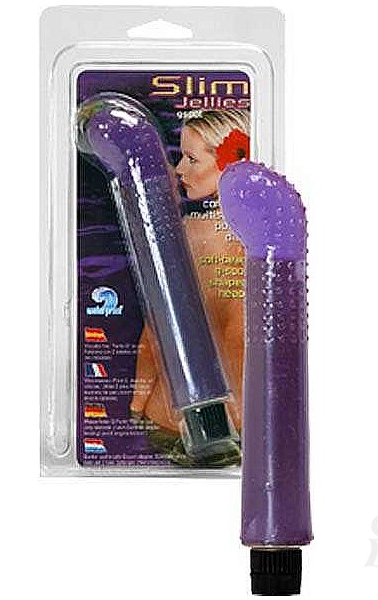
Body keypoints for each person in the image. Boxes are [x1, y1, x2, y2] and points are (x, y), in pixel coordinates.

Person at [131, 109, 251, 450]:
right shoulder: (258, 241)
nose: (180, 170)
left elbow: (155, 335)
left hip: (170, 422)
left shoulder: (187, 234)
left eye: (191, 159)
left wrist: (135, 406)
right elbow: (242, 338)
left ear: (230, 162)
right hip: (246, 419)